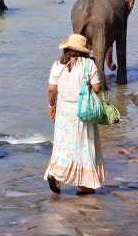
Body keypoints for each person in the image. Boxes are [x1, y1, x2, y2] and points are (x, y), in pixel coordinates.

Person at [44, 33, 105, 195]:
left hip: (63, 110)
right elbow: (98, 88)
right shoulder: (88, 65)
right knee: (84, 146)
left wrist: (52, 106)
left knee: (62, 145)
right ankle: (84, 185)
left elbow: (51, 90)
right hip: (82, 111)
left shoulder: (57, 64)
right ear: (84, 50)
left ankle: (56, 174)